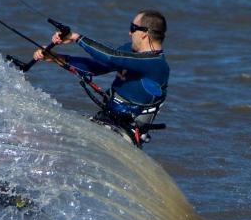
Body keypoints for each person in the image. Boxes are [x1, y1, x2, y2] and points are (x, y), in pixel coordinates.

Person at [32, 10, 170, 145]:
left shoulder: (156, 65)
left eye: (133, 28)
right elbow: (96, 67)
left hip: (126, 134)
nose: (129, 33)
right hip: (105, 120)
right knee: (45, 130)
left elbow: (111, 56)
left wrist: (76, 38)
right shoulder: (129, 51)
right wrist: (55, 57)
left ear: (144, 33)